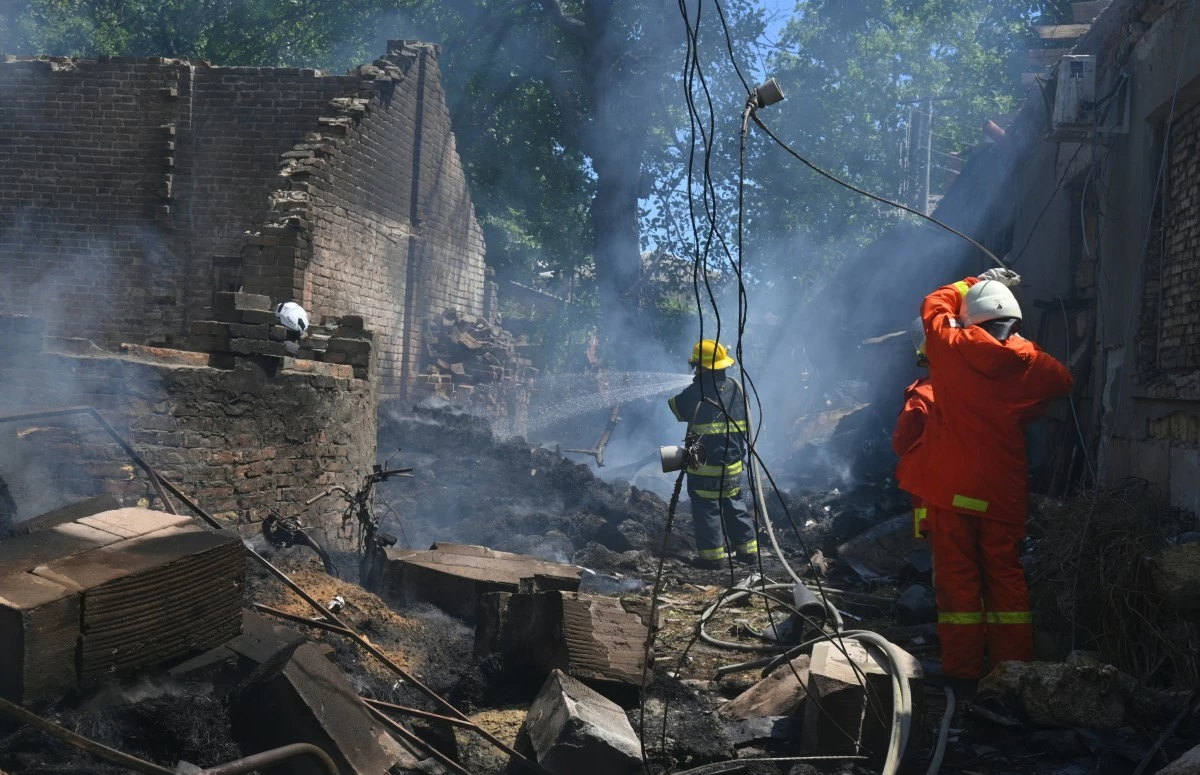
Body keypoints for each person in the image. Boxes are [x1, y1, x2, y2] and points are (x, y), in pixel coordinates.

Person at [898, 268, 1072, 685]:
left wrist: (974, 281)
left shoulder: (951, 345)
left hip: (951, 489)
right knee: (1005, 577)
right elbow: (1064, 382)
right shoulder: (1031, 361)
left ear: (971, 319)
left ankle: (962, 670)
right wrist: (1021, 360)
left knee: (958, 580)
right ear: (1014, 321)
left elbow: (933, 304)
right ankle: (1012, 671)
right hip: (1001, 492)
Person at [667, 339, 758, 568]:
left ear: (700, 366)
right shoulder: (737, 388)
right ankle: (748, 553)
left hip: (704, 466)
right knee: (735, 505)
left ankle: (713, 559)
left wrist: (692, 386)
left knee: (707, 509)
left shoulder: (695, 392)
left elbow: (676, 408)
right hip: (733, 465)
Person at [893, 317, 934, 540]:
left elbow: (902, 442)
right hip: (995, 498)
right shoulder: (987, 388)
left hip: (938, 498)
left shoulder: (924, 396)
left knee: (949, 563)